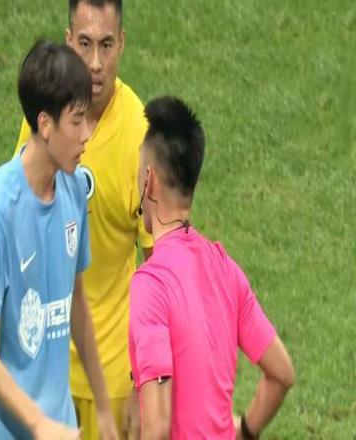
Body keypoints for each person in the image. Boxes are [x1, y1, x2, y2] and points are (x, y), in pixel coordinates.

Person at [14, 1, 153, 438]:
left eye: (106, 45)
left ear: (122, 43)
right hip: (44, 367)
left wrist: (144, 383)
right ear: (68, 40)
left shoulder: (140, 137)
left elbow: (159, 270)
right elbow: (21, 227)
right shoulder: (45, 118)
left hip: (110, 379)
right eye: (85, 44)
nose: (95, 63)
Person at [0, 40, 118, 439]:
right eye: (77, 121)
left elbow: (76, 303)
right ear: (46, 125)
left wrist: (103, 407)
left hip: (59, 425)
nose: (87, 135)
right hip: (9, 430)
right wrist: (36, 423)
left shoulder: (74, 190)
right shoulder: (0, 208)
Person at [128, 96, 295, 439]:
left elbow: (157, 427)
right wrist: (245, 431)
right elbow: (281, 374)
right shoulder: (226, 269)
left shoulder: (150, 285)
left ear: (149, 181)